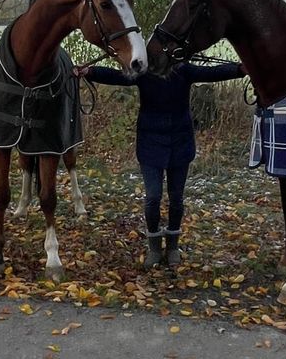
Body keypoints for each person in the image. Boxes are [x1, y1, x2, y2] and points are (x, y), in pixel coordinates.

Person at [76, 60, 245, 269]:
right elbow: (117, 76)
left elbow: (211, 72)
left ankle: (173, 246)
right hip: (150, 143)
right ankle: (155, 247)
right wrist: (90, 71)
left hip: (180, 143)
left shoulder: (184, 70)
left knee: (176, 198)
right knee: (153, 197)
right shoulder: (144, 71)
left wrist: (239, 69)